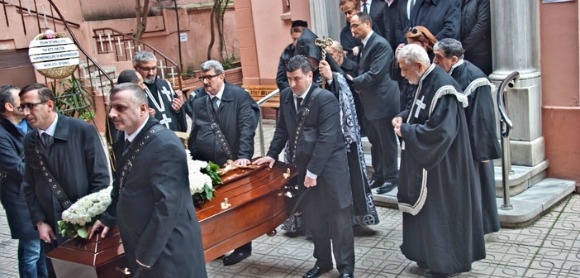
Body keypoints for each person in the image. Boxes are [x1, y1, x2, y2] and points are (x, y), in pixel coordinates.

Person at [89, 83, 207, 278]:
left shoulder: (164, 144)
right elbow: (122, 184)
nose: (111, 114)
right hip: (144, 246)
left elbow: (167, 205)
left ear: (143, 108)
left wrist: (145, 255)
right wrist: (109, 216)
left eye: (120, 108)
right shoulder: (126, 138)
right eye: (111, 107)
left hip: (168, 251)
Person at [254, 55, 355, 278]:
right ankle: (323, 262)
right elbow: (282, 129)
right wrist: (271, 155)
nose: (292, 84)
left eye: (296, 79)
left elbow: (327, 138)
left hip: (330, 169)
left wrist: (313, 172)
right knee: (315, 218)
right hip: (304, 167)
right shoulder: (287, 96)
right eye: (289, 79)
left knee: (339, 220)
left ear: (310, 76)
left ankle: (346, 268)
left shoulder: (325, 99)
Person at [393, 44, 485, 277]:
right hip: (432, 164)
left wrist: (407, 131)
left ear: (419, 66)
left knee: (440, 215)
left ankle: (445, 265)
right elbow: (417, 111)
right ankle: (426, 256)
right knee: (426, 214)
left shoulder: (443, 88)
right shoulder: (425, 80)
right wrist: (402, 118)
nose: (402, 75)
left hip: (443, 166)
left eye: (404, 69)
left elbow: (440, 133)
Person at [20, 83, 110, 277]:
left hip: (84, 226)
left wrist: (92, 217)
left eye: (30, 106)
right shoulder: (30, 140)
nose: (26, 112)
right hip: (51, 228)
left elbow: (100, 178)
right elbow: (29, 185)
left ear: (49, 105)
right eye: (23, 107)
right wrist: (39, 222)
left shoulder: (82, 130)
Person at [296, 28, 379, 229]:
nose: (311, 63)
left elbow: (347, 95)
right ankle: (312, 223)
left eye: (312, 59)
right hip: (309, 140)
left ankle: (349, 219)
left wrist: (331, 77)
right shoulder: (299, 76)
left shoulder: (329, 72)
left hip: (335, 139)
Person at [187, 60, 259, 266]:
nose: (205, 81)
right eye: (202, 78)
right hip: (207, 164)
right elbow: (197, 131)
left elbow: (247, 127)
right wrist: (193, 160)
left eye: (209, 77)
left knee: (237, 205)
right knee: (213, 207)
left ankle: (243, 246)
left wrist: (243, 156)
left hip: (233, 160)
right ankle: (218, 244)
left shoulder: (239, 96)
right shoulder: (199, 102)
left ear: (221, 76)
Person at [433, 38, 501, 234]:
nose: (434, 61)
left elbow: (482, 118)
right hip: (458, 141)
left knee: (479, 186)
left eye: (438, 57)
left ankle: (481, 226)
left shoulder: (475, 78)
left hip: (473, 144)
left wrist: (483, 152)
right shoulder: (447, 72)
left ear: (453, 59)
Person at [349, 12, 400, 194]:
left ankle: (391, 177)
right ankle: (379, 175)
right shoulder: (364, 45)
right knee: (375, 141)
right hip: (370, 102)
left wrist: (352, 82)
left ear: (367, 24)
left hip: (383, 102)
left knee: (386, 142)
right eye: (350, 25)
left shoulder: (380, 44)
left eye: (355, 25)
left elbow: (375, 74)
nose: (352, 29)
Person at [0, 85, 48, 278]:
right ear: (9, 106)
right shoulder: (2, 134)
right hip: (20, 199)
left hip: (37, 194)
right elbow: (17, 168)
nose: (26, 105)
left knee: (40, 247)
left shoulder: (29, 123)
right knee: (32, 251)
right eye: (21, 101)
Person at [133, 51, 187, 131]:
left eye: (154, 68)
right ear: (136, 68)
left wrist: (178, 109)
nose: (151, 73)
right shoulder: (134, 90)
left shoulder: (166, 85)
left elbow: (178, 114)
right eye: (146, 69)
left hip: (174, 136)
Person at [393, 25, 438, 111]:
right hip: (406, 100)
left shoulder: (434, 60)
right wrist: (397, 59)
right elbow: (395, 76)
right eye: (409, 45)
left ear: (426, 43)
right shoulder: (407, 56)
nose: (411, 49)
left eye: (416, 45)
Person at [461, 0, 492, 75]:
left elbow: (482, 24)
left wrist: (465, 46)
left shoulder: (482, 1)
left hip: (480, 52)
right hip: (466, 51)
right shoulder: (462, 2)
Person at [276, 20, 308, 92]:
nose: (296, 42)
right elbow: (280, 79)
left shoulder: (312, 50)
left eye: (299, 39)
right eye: (294, 39)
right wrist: (292, 92)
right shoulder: (287, 52)